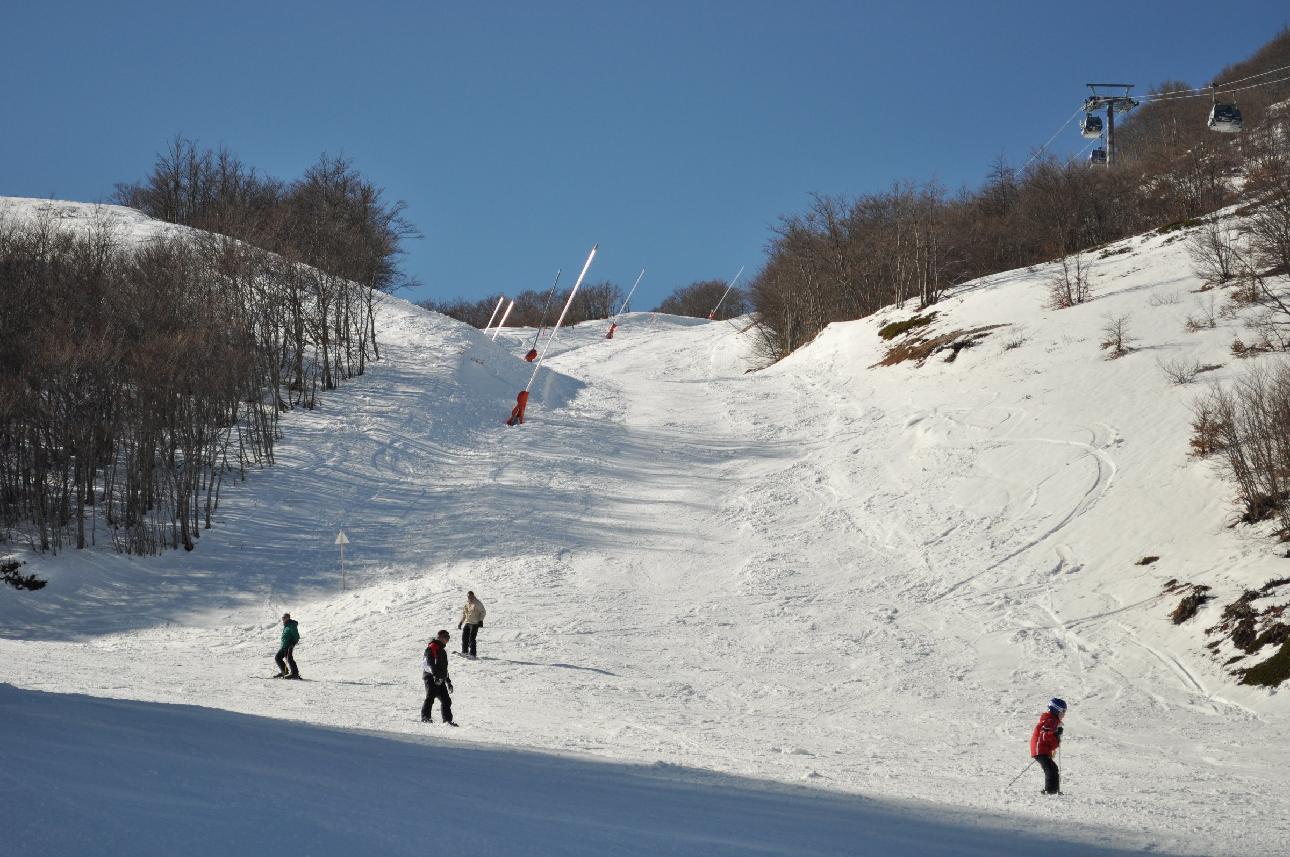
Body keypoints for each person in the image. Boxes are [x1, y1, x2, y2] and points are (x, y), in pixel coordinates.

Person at [1030, 697, 1066, 794]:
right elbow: (1044, 734)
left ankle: (1054, 790)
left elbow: (1051, 741)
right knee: (1050, 769)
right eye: (1063, 711)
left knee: (1053, 768)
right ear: (1056, 710)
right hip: (1039, 749)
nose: (1064, 714)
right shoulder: (1050, 721)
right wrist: (1055, 734)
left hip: (1042, 749)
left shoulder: (1053, 721)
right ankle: (1049, 790)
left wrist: (1057, 736)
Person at [421, 630, 457, 725]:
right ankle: (425, 717)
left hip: (440, 678)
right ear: (439, 637)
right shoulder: (432, 647)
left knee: (446, 700)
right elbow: (428, 663)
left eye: (448, 637)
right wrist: (434, 675)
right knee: (430, 697)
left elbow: (444, 668)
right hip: (430, 677)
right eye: (446, 637)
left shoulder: (442, 651)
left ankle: (447, 720)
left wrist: (448, 682)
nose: (447, 639)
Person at [457, 591, 487, 658]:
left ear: (473, 596)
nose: (470, 598)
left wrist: (480, 620)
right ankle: (465, 651)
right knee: (464, 637)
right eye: (469, 597)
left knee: (472, 638)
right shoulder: (467, 603)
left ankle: (473, 654)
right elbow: (464, 614)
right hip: (467, 622)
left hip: (474, 623)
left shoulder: (478, 603)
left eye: (471, 596)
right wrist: (461, 622)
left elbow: (483, 612)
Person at [275, 613, 301, 679]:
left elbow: (297, 636)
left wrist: (292, 643)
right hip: (284, 645)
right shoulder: (286, 626)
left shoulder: (291, 625)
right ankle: (284, 672)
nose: (283, 619)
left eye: (284, 618)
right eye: (282, 618)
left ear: (288, 618)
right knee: (278, 657)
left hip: (288, 645)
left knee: (289, 658)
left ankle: (295, 673)